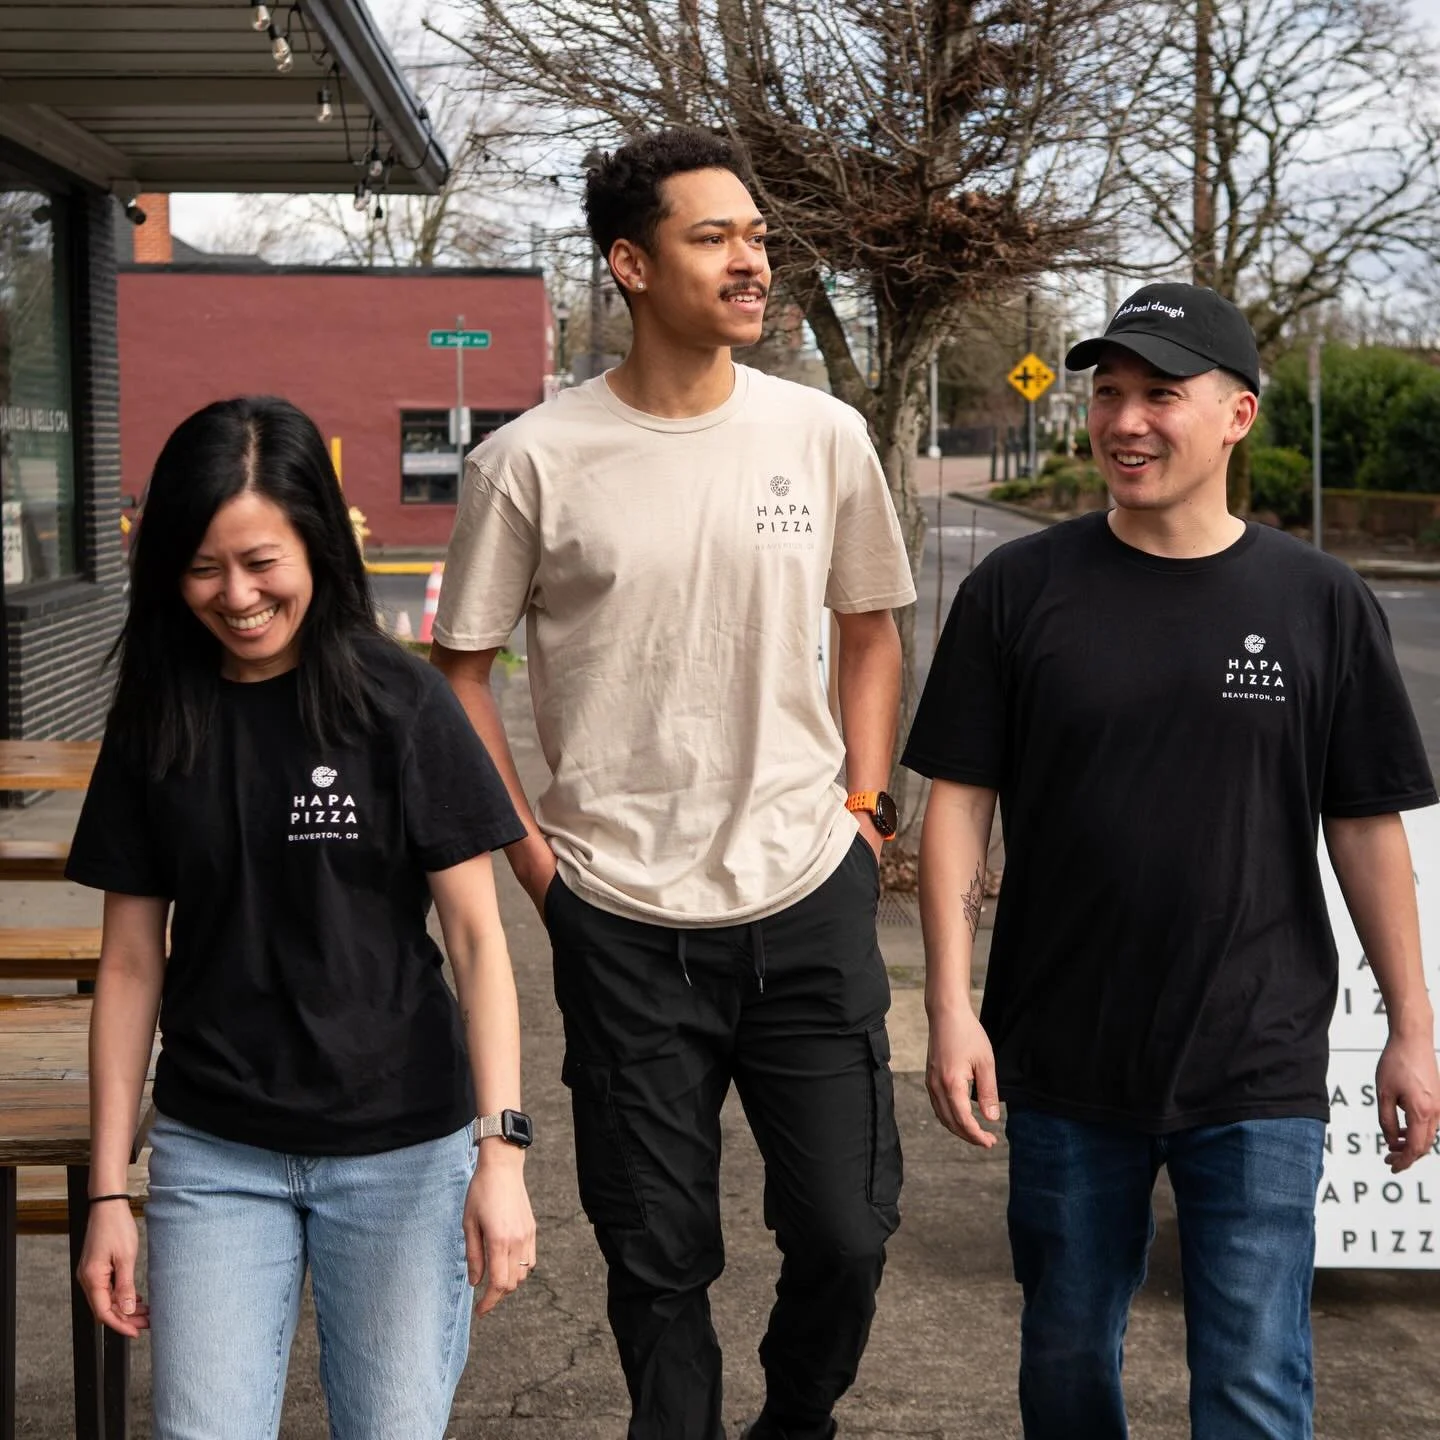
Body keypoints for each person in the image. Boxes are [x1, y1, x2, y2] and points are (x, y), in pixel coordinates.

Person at [431, 127, 916, 1440]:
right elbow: (457, 671)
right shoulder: (529, 461)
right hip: (619, 915)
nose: (753, 259)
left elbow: (872, 629)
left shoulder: (821, 438)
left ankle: (795, 1419)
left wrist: (867, 814)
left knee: (848, 1231)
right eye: (717, 237)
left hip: (808, 891)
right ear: (632, 265)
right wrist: (537, 865)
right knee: (657, 1260)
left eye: (757, 235)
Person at [904, 283, 1439, 1439]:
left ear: (1239, 414)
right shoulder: (1019, 591)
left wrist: (1412, 1027)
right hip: (1060, 1053)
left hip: (1258, 1056)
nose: (1125, 421)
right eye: (1108, 394)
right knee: (1063, 1363)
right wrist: (951, 1008)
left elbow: (1365, 824)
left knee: (1253, 1383)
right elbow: (958, 804)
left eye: (1161, 394)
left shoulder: (1320, 602)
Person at [68, 396, 536, 1438]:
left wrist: (499, 1154)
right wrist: (109, 1192)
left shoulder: (401, 704)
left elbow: (477, 941)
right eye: (202, 567)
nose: (235, 596)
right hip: (214, 1150)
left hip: (404, 1155)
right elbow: (132, 963)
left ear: (317, 543)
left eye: (261, 561)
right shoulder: (157, 718)